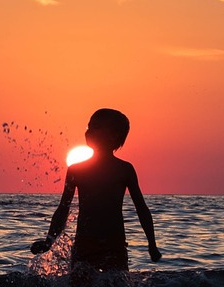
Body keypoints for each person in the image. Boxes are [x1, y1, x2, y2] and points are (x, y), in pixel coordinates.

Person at [31, 108, 162, 272]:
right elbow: (63, 208)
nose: (88, 131)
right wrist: (49, 240)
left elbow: (141, 208)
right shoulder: (76, 170)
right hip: (85, 243)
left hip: (114, 244)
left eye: (96, 127)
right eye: (88, 126)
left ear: (113, 135)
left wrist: (152, 243)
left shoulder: (124, 169)